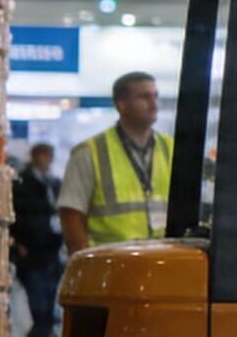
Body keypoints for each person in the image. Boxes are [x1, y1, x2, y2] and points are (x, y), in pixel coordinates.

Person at [60, 73, 174, 252]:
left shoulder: (171, 148)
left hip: (161, 263)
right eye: (144, 97)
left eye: (155, 96)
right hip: (113, 267)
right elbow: (71, 214)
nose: (154, 104)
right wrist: (87, 264)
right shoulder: (89, 152)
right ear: (121, 105)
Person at [12, 142, 65, 337]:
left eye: (49, 156)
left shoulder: (53, 183)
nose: (47, 160)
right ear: (35, 156)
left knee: (50, 301)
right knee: (38, 304)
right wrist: (18, 245)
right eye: (43, 155)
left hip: (51, 251)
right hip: (31, 253)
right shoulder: (21, 183)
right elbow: (15, 215)